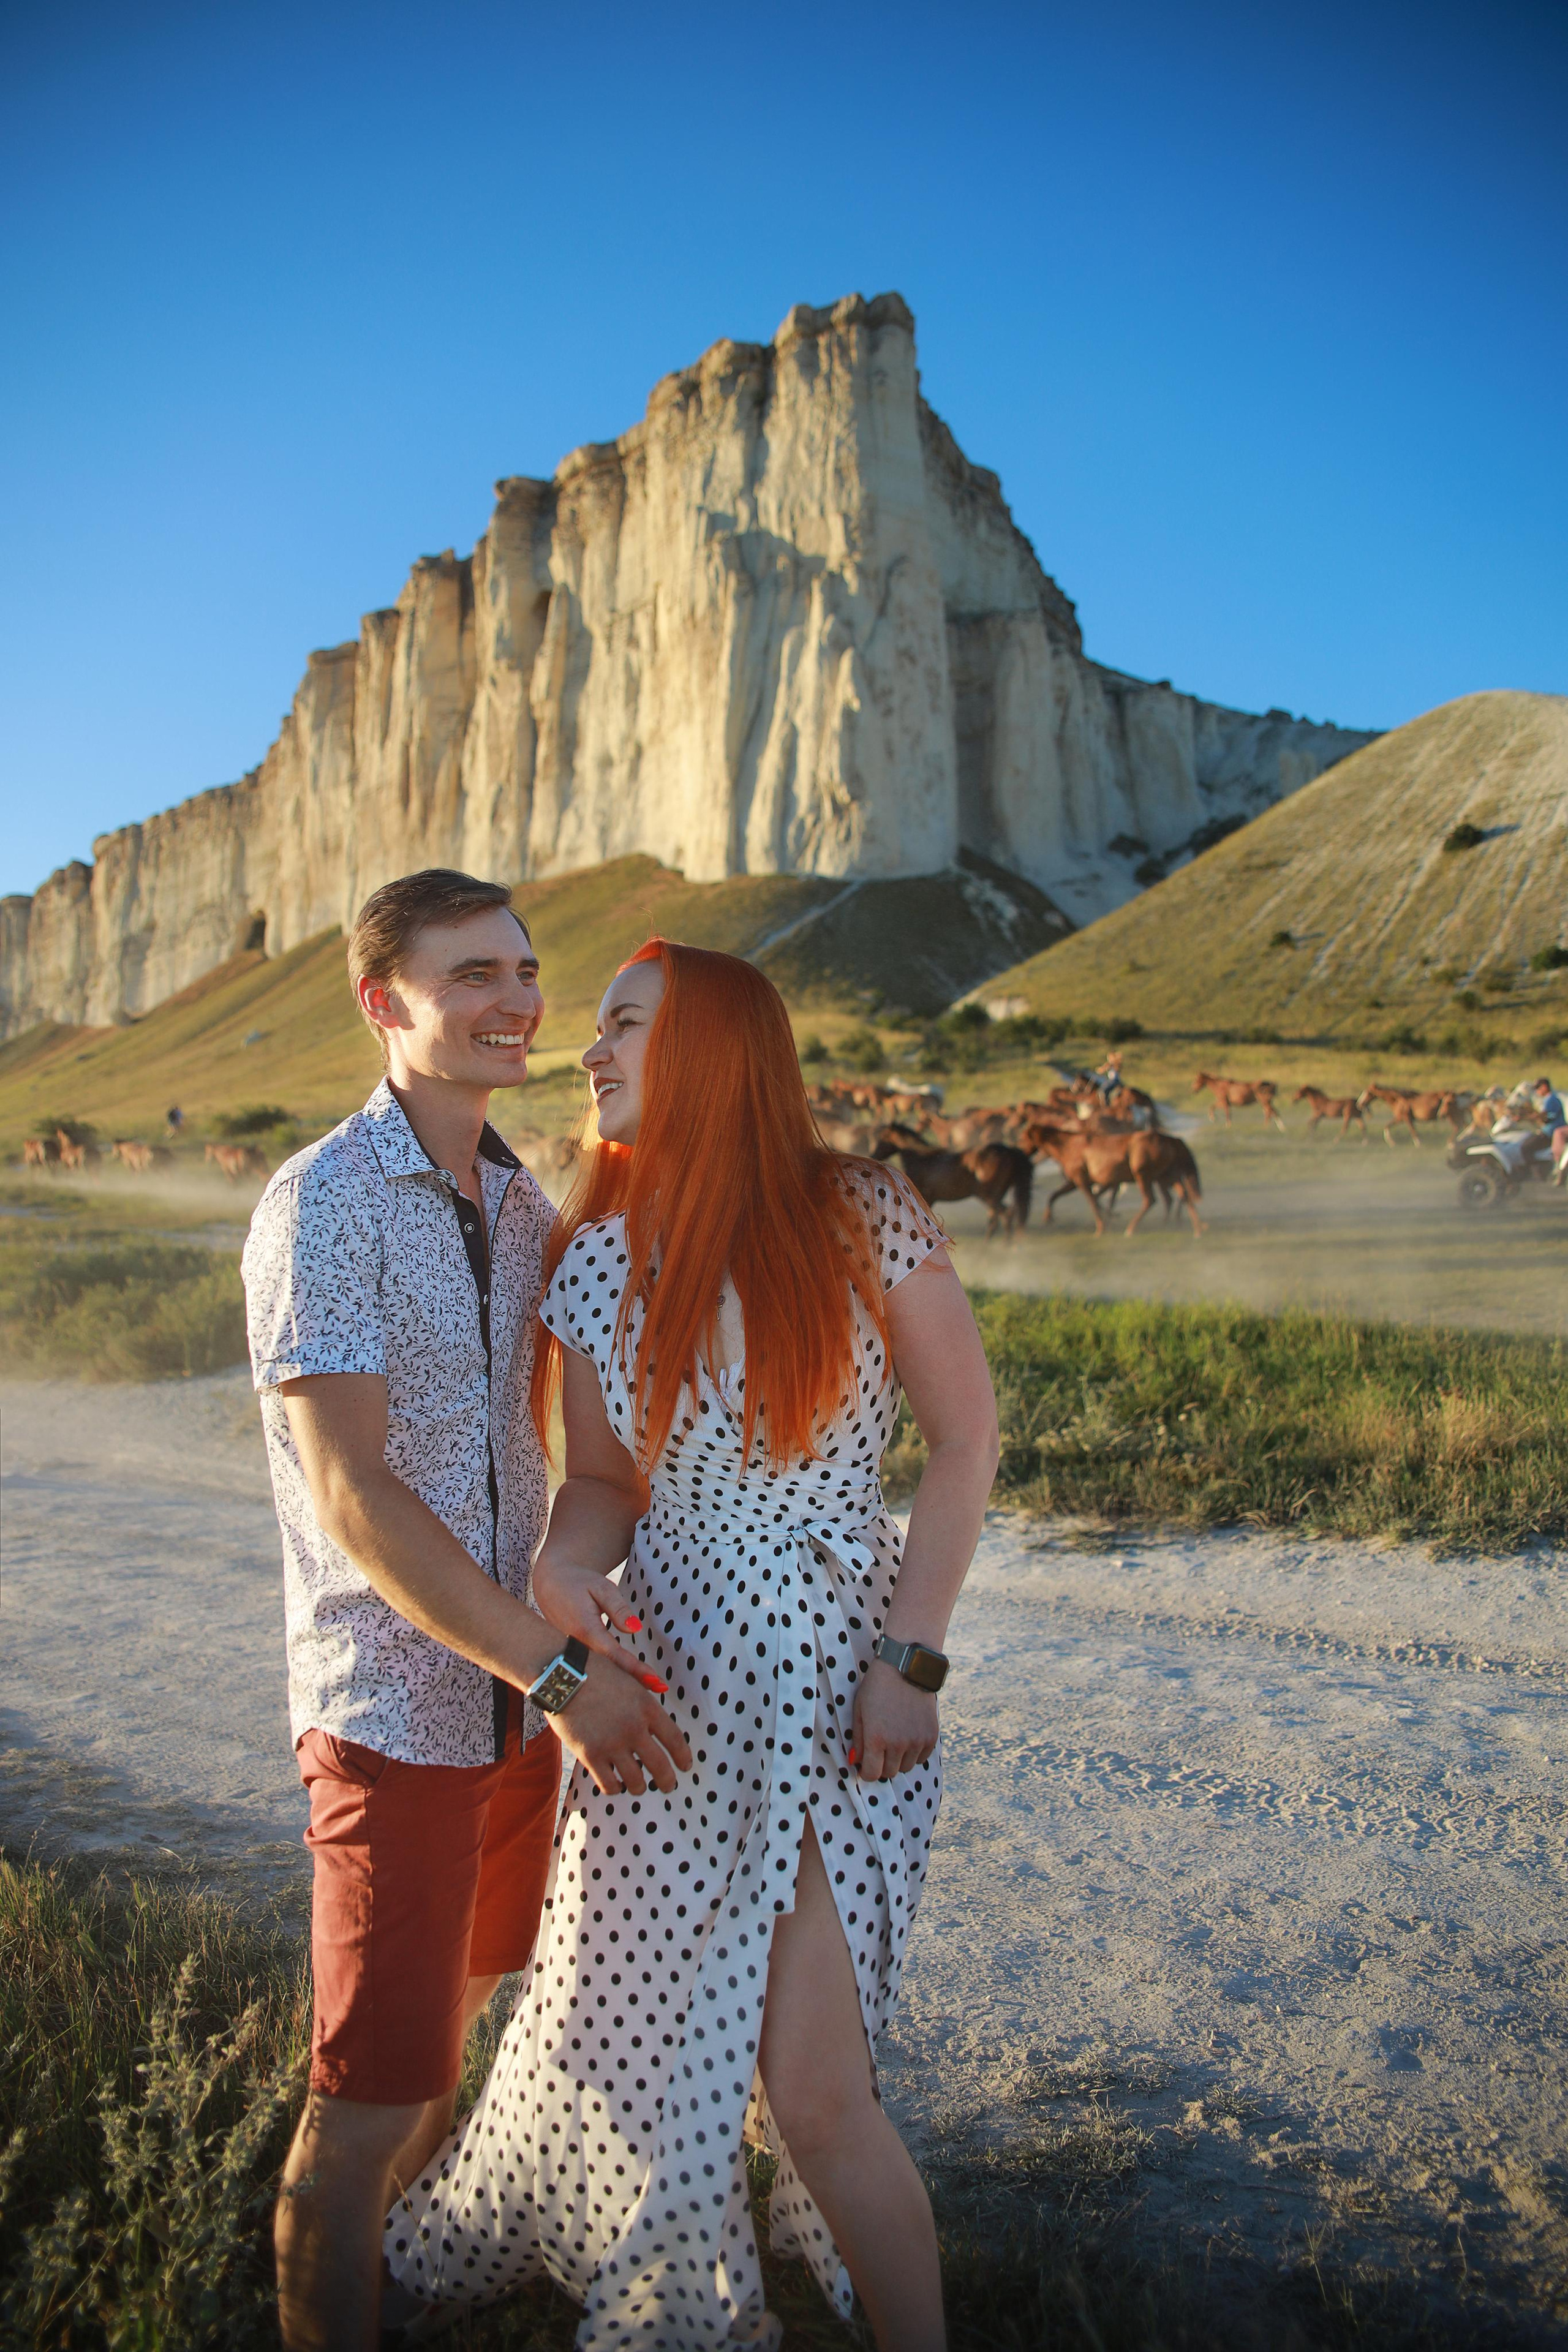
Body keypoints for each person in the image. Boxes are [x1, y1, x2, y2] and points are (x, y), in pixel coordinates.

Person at [383, 940, 999, 2352]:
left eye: (621, 1026)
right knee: (642, 2023)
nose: (584, 1050)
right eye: (592, 1027)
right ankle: (666, 2266)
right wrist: (560, 1563)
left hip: (837, 1668)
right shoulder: (595, 1258)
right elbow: (600, 1484)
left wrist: (909, 1659)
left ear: (718, 1049)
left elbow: (963, 1444)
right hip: (661, 1688)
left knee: (814, 2092)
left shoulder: (861, 1211)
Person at [242, 870, 689, 2352]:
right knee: (361, 2114)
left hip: (514, 1706)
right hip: (396, 1713)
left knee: (440, 2067)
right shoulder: (324, 1201)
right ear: (385, 1003)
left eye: (523, 971)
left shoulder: (520, 1201)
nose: (516, 1003)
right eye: (472, 977)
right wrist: (562, 1674)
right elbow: (356, 1497)